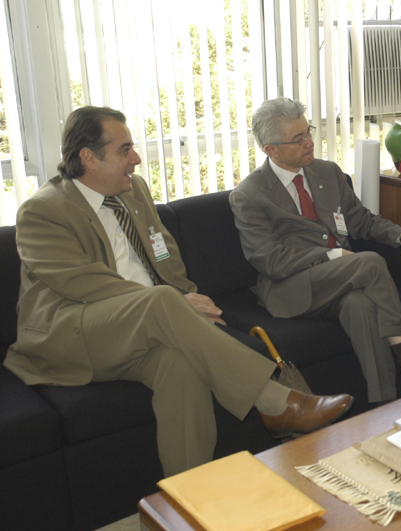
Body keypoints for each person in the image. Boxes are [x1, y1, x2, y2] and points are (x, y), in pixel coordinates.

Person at [3, 106, 353, 477]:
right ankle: (275, 400)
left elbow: (165, 257)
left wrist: (189, 304)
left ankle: (190, 492)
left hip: (144, 327)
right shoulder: (43, 211)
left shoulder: (134, 190)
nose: (136, 159)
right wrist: (177, 304)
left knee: (180, 367)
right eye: (124, 150)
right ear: (89, 157)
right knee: (161, 300)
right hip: (73, 334)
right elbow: (81, 282)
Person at [229, 97, 401, 403]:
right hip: (291, 287)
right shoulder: (249, 195)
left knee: (359, 306)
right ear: (272, 150)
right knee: (369, 263)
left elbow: (361, 221)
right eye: (298, 139)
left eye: (309, 132)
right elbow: (269, 260)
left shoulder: (327, 173)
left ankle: (385, 404)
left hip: (341, 280)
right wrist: (331, 255)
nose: (309, 142)